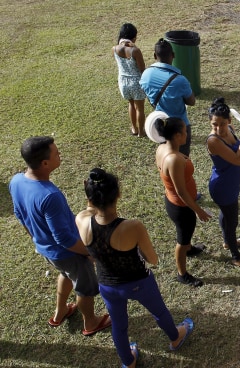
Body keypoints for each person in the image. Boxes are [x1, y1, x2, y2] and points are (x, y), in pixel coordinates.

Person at [76, 168, 194, 368]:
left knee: (119, 327)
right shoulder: (132, 226)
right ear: (118, 194)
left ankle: (127, 361)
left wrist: (92, 196)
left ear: (90, 198)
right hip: (138, 282)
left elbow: (90, 212)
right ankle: (175, 337)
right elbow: (153, 259)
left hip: (107, 285)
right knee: (160, 312)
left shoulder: (81, 219)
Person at [8, 136, 112, 336]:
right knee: (85, 287)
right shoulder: (50, 195)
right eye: (56, 153)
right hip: (67, 252)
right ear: (45, 163)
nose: (60, 154)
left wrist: (37, 239)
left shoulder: (16, 181)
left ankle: (61, 310)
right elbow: (64, 239)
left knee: (65, 273)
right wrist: (91, 252)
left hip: (46, 249)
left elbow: (19, 214)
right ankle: (90, 322)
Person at [154, 117, 211, 286]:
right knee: (181, 239)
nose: (187, 134)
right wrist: (198, 210)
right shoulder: (174, 160)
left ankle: (189, 248)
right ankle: (182, 274)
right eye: (185, 132)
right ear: (178, 135)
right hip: (181, 207)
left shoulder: (162, 148)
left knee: (186, 235)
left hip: (174, 202)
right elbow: (181, 192)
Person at [206, 98, 240, 270]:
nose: (219, 129)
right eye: (214, 125)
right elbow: (238, 158)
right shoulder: (213, 141)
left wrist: (238, 174)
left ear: (230, 121)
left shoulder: (231, 130)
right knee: (231, 221)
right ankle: (236, 257)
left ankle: (228, 242)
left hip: (231, 182)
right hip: (222, 187)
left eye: (222, 124)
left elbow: (233, 160)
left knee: (227, 216)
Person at [140, 39, 196, 156]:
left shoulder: (146, 74)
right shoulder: (180, 80)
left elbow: (145, 90)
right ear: (173, 55)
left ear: (155, 56)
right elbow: (191, 101)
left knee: (166, 157)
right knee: (182, 161)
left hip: (161, 125)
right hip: (180, 127)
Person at [112, 23, 146, 137]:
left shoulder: (114, 49)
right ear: (133, 37)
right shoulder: (135, 51)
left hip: (123, 82)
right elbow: (142, 69)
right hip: (136, 82)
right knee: (140, 108)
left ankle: (134, 128)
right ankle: (141, 132)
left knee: (131, 104)